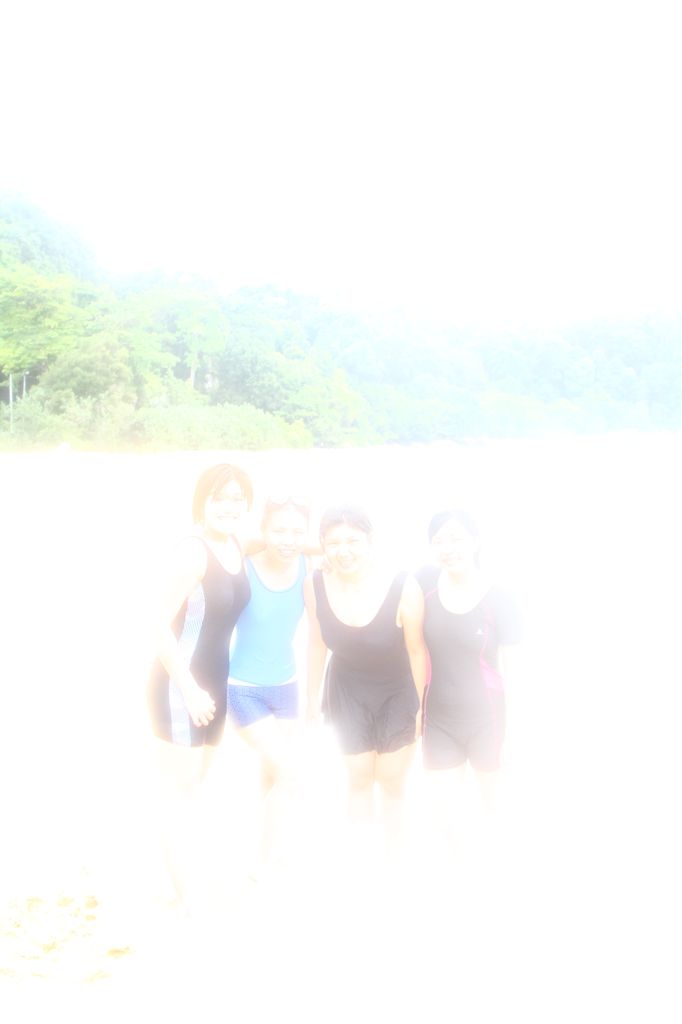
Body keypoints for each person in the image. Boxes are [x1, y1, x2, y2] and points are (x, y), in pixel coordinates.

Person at [147, 462, 253, 913]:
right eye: (219, 498)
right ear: (202, 502)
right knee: (177, 792)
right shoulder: (192, 552)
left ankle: (179, 877)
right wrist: (189, 688)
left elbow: (283, 541)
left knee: (194, 786)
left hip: (216, 684)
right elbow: (156, 624)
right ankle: (185, 897)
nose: (229, 507)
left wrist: (332, 546)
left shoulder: (237, 544)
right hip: (179, 685)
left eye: (237, 499)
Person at [304, 505, 427, 868]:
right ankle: (362, 862)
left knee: (391, 780)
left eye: (353, 541)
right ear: (322, 545)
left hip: (398, 690)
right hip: (346, 691)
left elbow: (417, 650)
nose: (343, 551)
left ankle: (394, 862)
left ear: (370, 541)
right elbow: (316, 643)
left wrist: (423, 706)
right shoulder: (315, 584)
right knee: (358, 779)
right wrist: (311, 698)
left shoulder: (402, 586)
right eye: (333, 543)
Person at [415, 509, 522, 859]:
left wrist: (516, 735)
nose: (448, 548)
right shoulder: (425, 585)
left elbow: (516, 673)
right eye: (439, 541)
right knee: (446, 819)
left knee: (495, 812)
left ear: (475, 541)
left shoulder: (499, 598)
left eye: (456, 538)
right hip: (439, 722)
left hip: (488, 722)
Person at [227, 495, 312, 878]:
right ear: (263, 530)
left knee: (274, 774)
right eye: (278, 530)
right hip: (243, 687)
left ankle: (268, 853)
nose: (287, 539)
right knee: (290, 772)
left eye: (296, 531)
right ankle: (268, 859)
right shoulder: (242, 566)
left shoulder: (308, 566)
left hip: (287, 686)